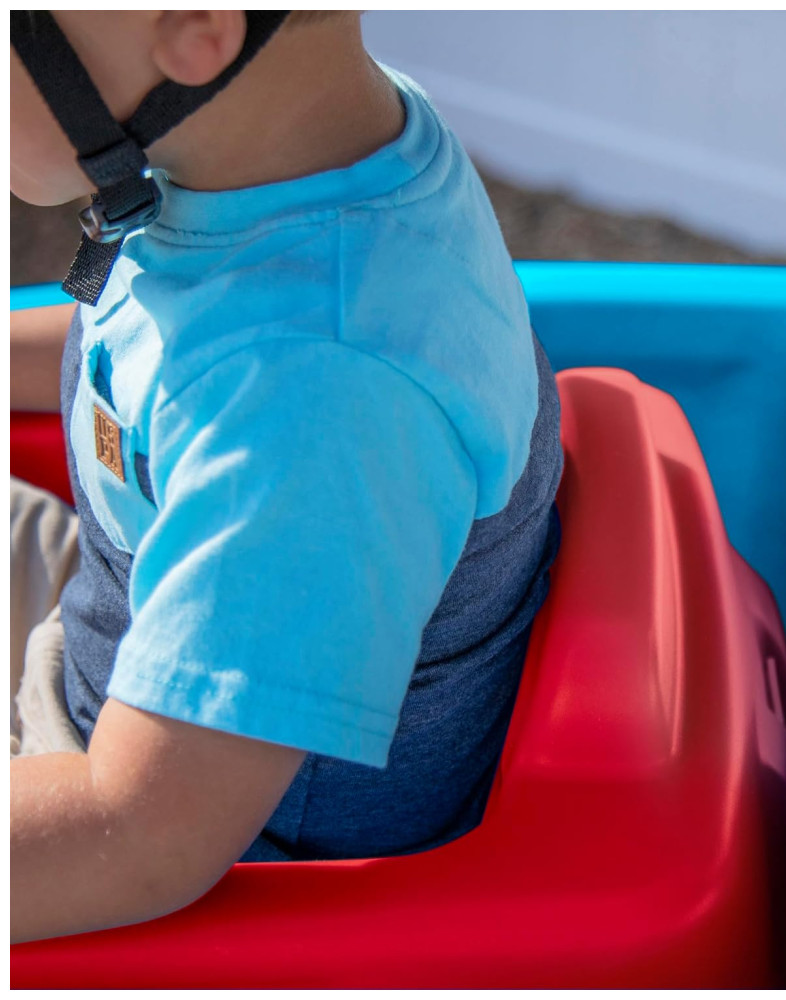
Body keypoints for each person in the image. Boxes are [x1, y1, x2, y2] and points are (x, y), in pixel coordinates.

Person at [10, 11, 563, 943]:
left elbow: (143, 834)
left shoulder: (313, 403)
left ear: (197, 28)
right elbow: (160, 354)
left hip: (152, 810)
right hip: (123, 623)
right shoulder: (291, 161)